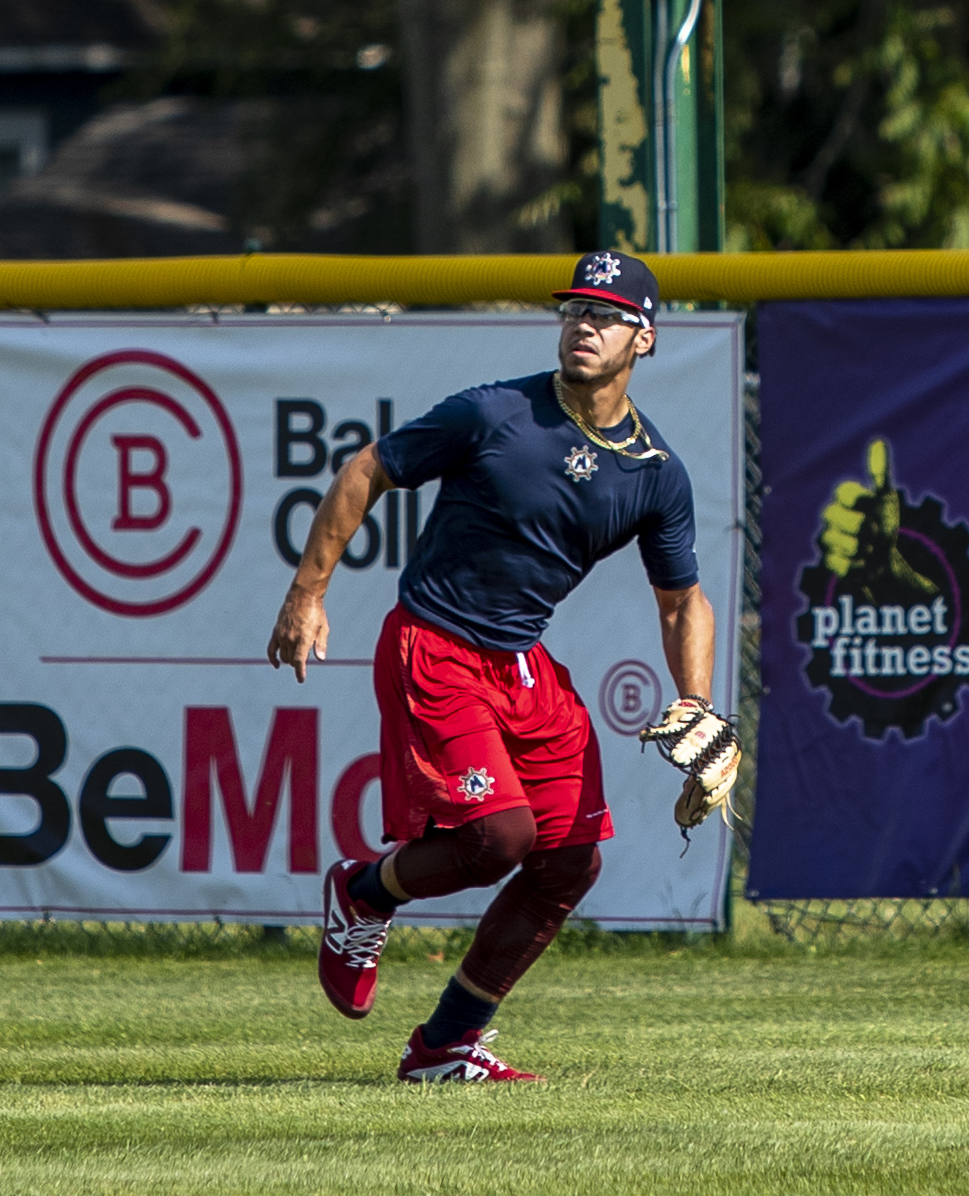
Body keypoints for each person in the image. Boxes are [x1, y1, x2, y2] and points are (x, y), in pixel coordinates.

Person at [272, 246, 736, 1084]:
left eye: (605, 314)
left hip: (522, 664)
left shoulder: (655, 472)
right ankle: (365, 891)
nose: (583, 323)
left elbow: (682, 601)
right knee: (498, 837)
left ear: (646, 338)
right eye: (573, 310)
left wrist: (697, 702)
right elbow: (369, 468)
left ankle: (445, 1045)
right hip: (437, 643)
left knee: (570, 855)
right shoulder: (495, 412)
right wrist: (309, 591)